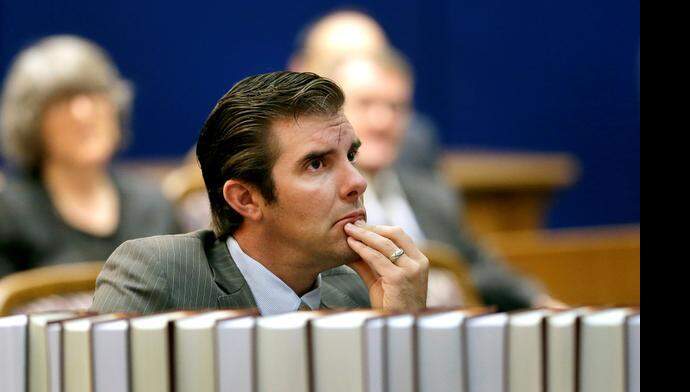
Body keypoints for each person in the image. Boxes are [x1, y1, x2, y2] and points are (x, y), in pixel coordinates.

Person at [90, 71, 428, 315]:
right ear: (246, 199)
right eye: (316, 164)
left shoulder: (360, 288)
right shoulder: (159, 275)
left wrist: (400, 328)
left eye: (350, 156)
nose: (357, 182)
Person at [322, 49, 565, 311]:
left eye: (396, 107)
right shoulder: (323, 201)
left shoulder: (430, 192)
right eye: (365, 104)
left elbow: (480, 266)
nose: (383, 121)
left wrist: (538, 301)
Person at [0, 35, 179, 278]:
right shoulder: (8, 214)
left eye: (93, 94)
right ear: (32, 122)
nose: (82, 113)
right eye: (62, 100)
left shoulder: (152, 204)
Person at [290, 9, 441, 173]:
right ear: (300, 68)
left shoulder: (415, 144)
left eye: (376, 57)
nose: (381, 121)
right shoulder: (275, 140)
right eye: (364, 102)